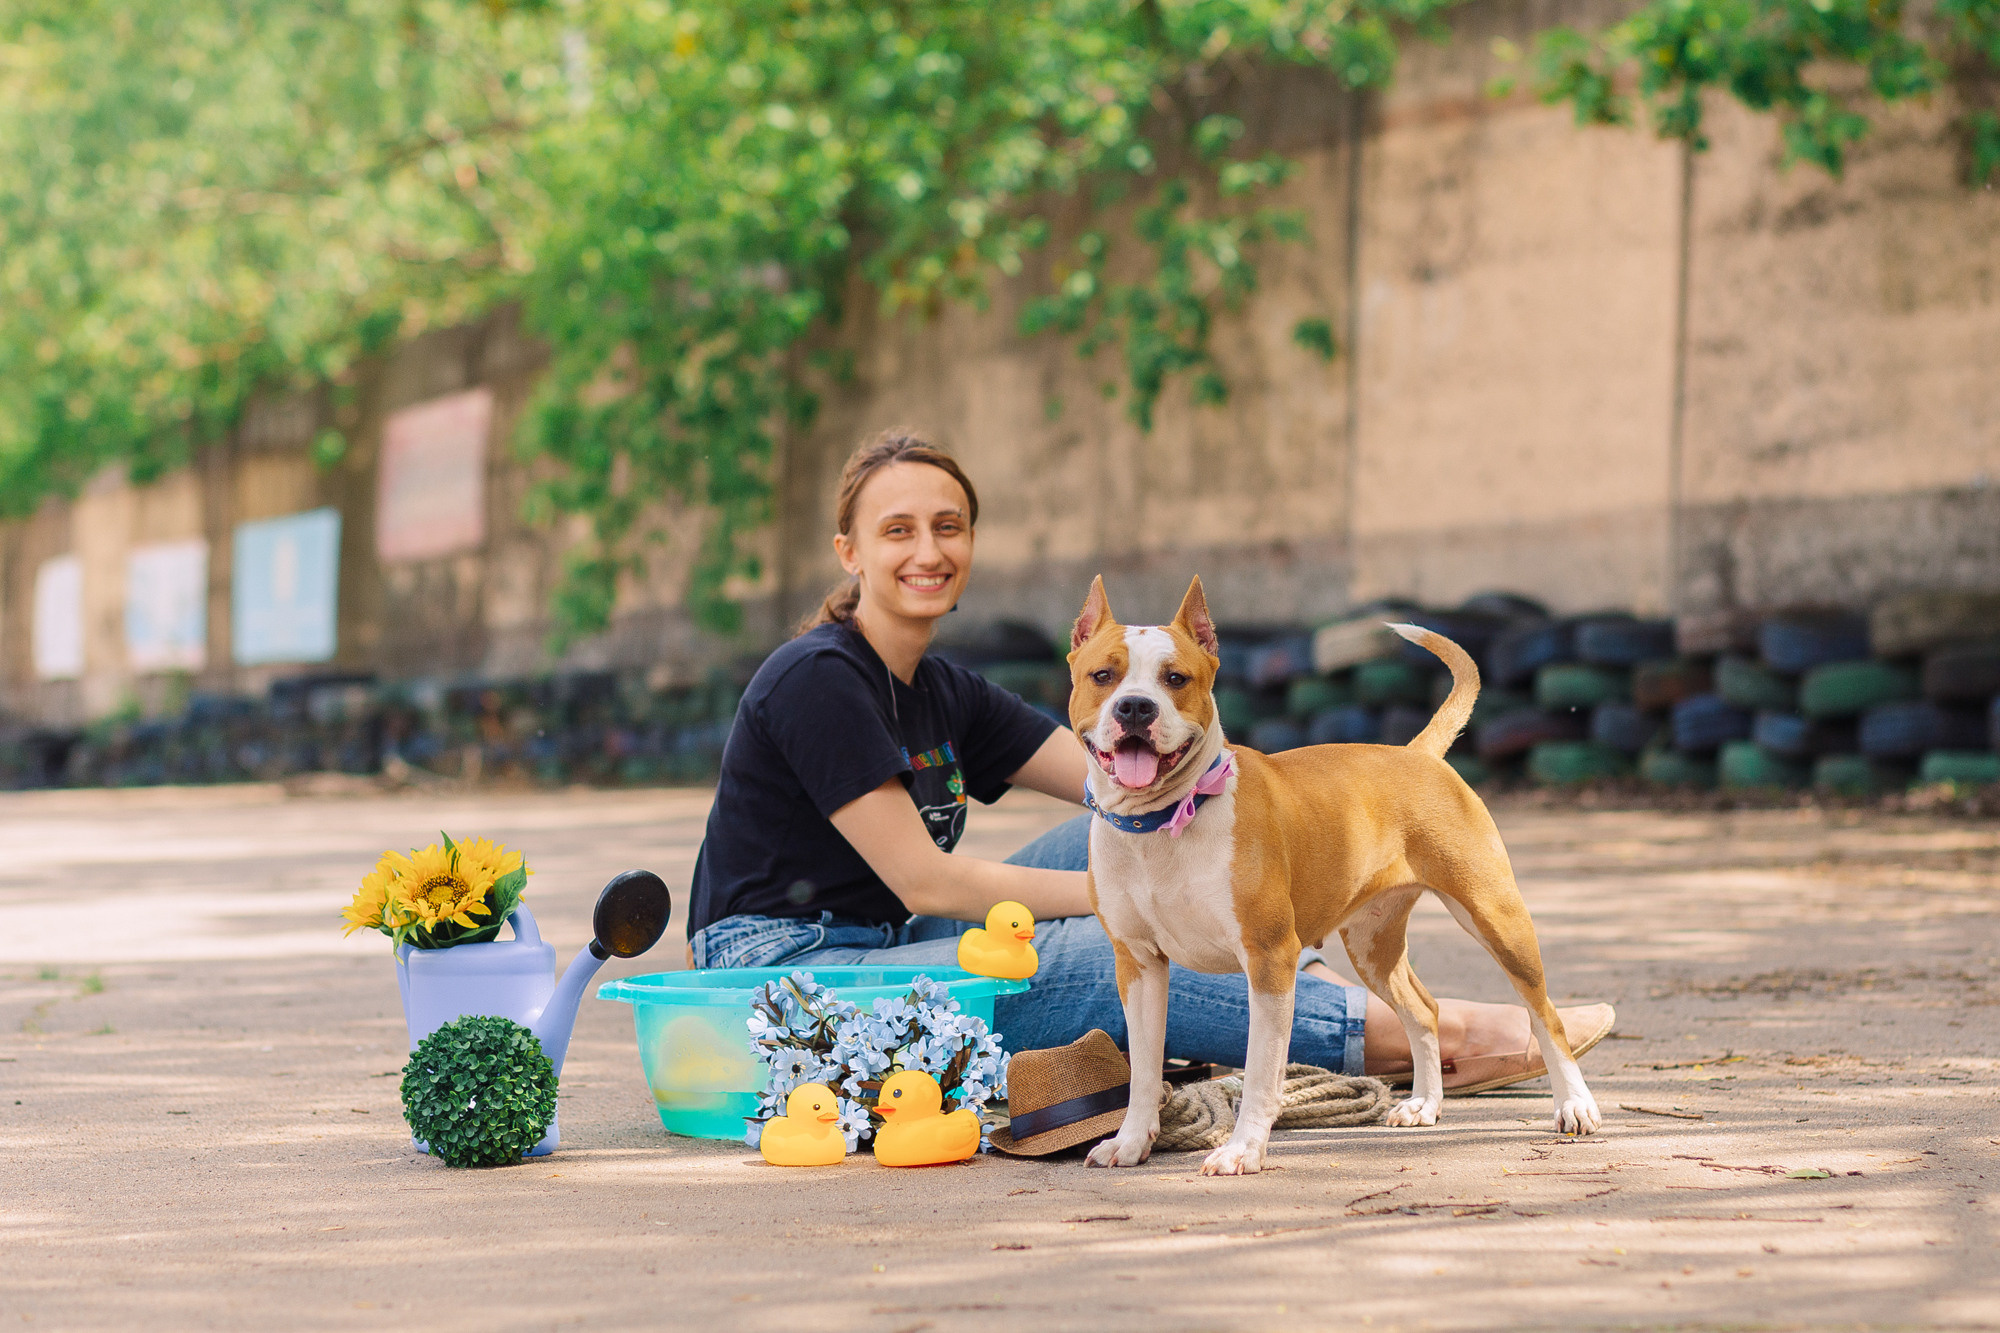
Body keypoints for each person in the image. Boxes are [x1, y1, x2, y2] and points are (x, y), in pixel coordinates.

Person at [685, 430, 1612, 1090]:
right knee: (1116, 938)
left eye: (949, 525)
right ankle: (1423, 1036)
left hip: (886, 936)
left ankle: (1305, 975)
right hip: (791, 970)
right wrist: (1151, 904)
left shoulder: (944, 687)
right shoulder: (817, 678)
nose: (929, 550)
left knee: (1123, 840)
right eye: (898, 530)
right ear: (848, 551)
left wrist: (1255, 840)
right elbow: (926, 878)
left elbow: (1128, 775)